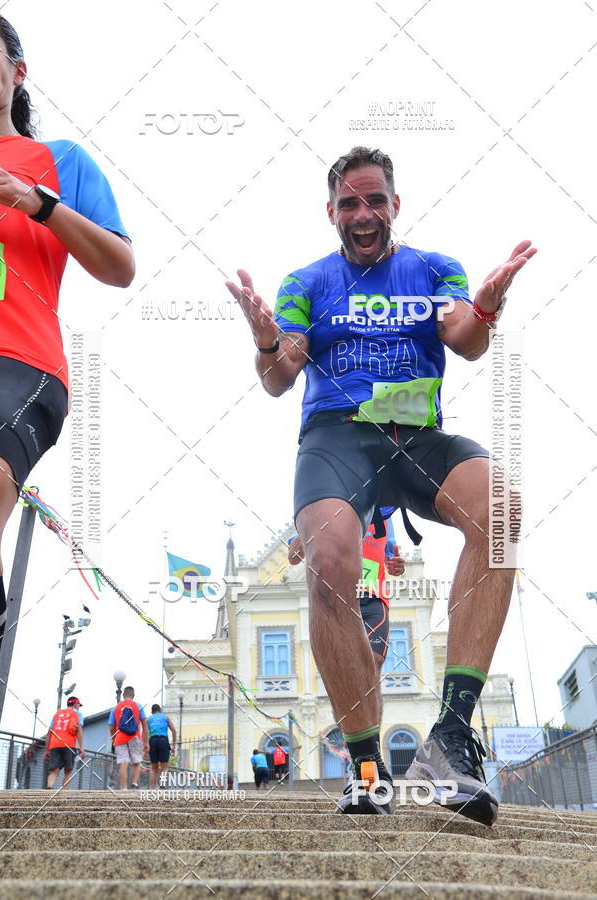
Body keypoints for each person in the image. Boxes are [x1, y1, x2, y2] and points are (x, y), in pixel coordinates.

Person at [226, 145, 536, 822]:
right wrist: (264, 342)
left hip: (415, 436)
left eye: (374, 200)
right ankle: (366, 765)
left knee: (503, 511)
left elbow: (463, 336)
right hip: (338, 439)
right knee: (332, 560)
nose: (362, 214)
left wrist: (482, 308)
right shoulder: (306, 281)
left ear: (395, 204)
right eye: (348, 203)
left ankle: (450, 737)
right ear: (331, 212)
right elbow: (283, 374)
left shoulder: (432, 268)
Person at [0, 15, 134, 673]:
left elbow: (120, 266)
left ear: (17, 72)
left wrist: (37, 202)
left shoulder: (60, 162)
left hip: (21, 367)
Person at [289, 516, 405, 714]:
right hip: (339, 598)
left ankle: (373, 740)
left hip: (374, 597)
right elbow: (294, 557)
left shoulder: (383, 514)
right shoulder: (328, 505)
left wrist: (397, 566)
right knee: (344, 672)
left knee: (374, 663)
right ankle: (354, 740)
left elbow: (391, 561)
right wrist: (308, 528)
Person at [109, 686, 148, 790]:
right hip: (135, 737)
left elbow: (111, 727)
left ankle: (124, 788)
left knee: (123, 763)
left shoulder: (115, 708)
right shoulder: (138, 706)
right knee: (136, 762)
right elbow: (144, 725)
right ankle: (134, 783)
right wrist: (146, 742)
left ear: (123, 695)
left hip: (120, 738)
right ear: (133, 695)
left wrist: (113, 739)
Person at [45, 696, 85, 789]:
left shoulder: (57, 714)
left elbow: (49, 732)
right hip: (69, 745)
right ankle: (64, 795)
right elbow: (79, 729)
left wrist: (47, 750)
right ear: (76, 704)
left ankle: (49, 788)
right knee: (68, 771)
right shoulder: (78, 714)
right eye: (79, 705)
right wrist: (81, 747)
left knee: (54, 771)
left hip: (54, 744)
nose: (79, 707)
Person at [147, 704, 177, 789]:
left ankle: (152, 789)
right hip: (163, 741)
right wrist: (173, 746)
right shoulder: (165, 717)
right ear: (160, 710)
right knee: (164, 767)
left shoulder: (149, 719)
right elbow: (174, 730)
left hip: (152, 741)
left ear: (152, 712)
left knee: (153, 769)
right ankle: (162, 784)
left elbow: (145, 733)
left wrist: (145, 747)